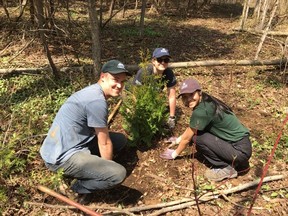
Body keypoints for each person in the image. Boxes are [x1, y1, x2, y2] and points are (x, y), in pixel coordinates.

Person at [40, 60, 131, 203]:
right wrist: (107, 169)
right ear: (103, 77)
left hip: (66, 144)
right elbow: (105, 142)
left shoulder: (93, 92)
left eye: (122, 81)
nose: (119, 85)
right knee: (117, 174)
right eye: (115, 79)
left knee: (120, 140)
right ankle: (78, 186)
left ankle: (88, 170)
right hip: (60, 157)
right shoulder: (96, 101)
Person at [160, 78, 252, 182]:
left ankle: (225, 168)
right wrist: (177, 140)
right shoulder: (206, 99)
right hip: (242, 145)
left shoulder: (202, 111)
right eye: (185, 97)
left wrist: (174, 154)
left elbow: (188, 137)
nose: (188, 99)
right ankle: (235, 161)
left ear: (199, 92)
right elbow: (192, 128)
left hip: (240, 150)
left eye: (191, 94)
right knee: (196, 133)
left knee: (196, 138)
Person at [133, 47, 177, 129]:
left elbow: (172, 96)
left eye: (166, 60)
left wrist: (171, 117)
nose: (163, 62)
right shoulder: (144, 72)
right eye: (160, 60)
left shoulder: (169, 73)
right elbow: (135, 94)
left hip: (151, 94)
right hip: (131, 91)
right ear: (153, 61)